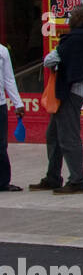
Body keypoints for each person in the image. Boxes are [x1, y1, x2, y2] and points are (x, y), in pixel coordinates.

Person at [30, 4, 83, 194]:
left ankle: (77, 180)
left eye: (72, 15)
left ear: (77, 18)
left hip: (70, 92)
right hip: (77, 90)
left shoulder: (74, 39)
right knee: (53, 134)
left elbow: (50, 60)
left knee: (68, 137)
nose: (69, 18)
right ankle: (53, 176)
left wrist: (55, 58)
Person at [0, 40, 23, 192]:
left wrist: (18, 103)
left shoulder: (2, 51)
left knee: (1, 145)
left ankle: (3, 182)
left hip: (0, 104)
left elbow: (9, 78)